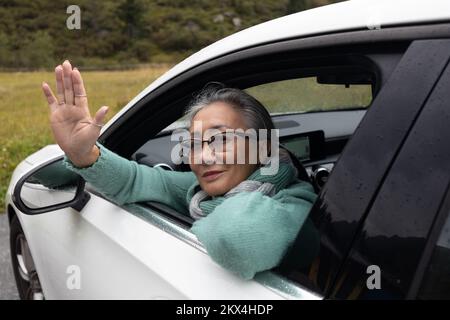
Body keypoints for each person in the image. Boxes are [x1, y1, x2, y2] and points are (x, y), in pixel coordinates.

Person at [41, 60, 319, 280]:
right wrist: (81, 153)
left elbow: (235, 238)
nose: (203, 158)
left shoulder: (295, 204)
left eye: (221, 139)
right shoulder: (200, 191)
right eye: (193, 143)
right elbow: (135, 179)